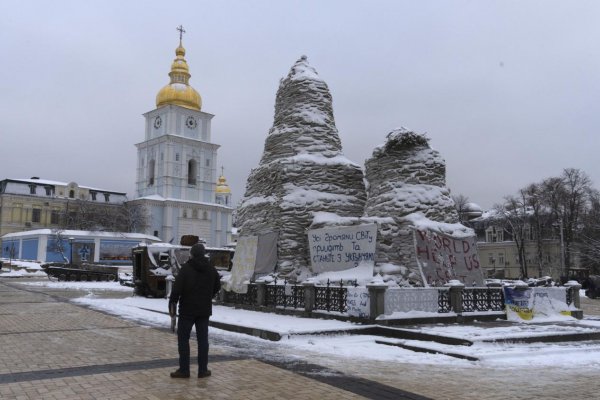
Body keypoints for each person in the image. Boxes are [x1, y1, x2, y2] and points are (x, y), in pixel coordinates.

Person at [169, 243, 221, 378]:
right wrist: (208, 296)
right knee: (203, 340)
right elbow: (217, 285)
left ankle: (184, 370)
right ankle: (203, 370)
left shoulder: (186, 269)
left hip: (187, 310)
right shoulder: (211, 269)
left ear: (192, 254)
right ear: (203, 254)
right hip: (204, 310)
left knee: (183, 340)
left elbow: (177, 289)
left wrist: (173, 302)